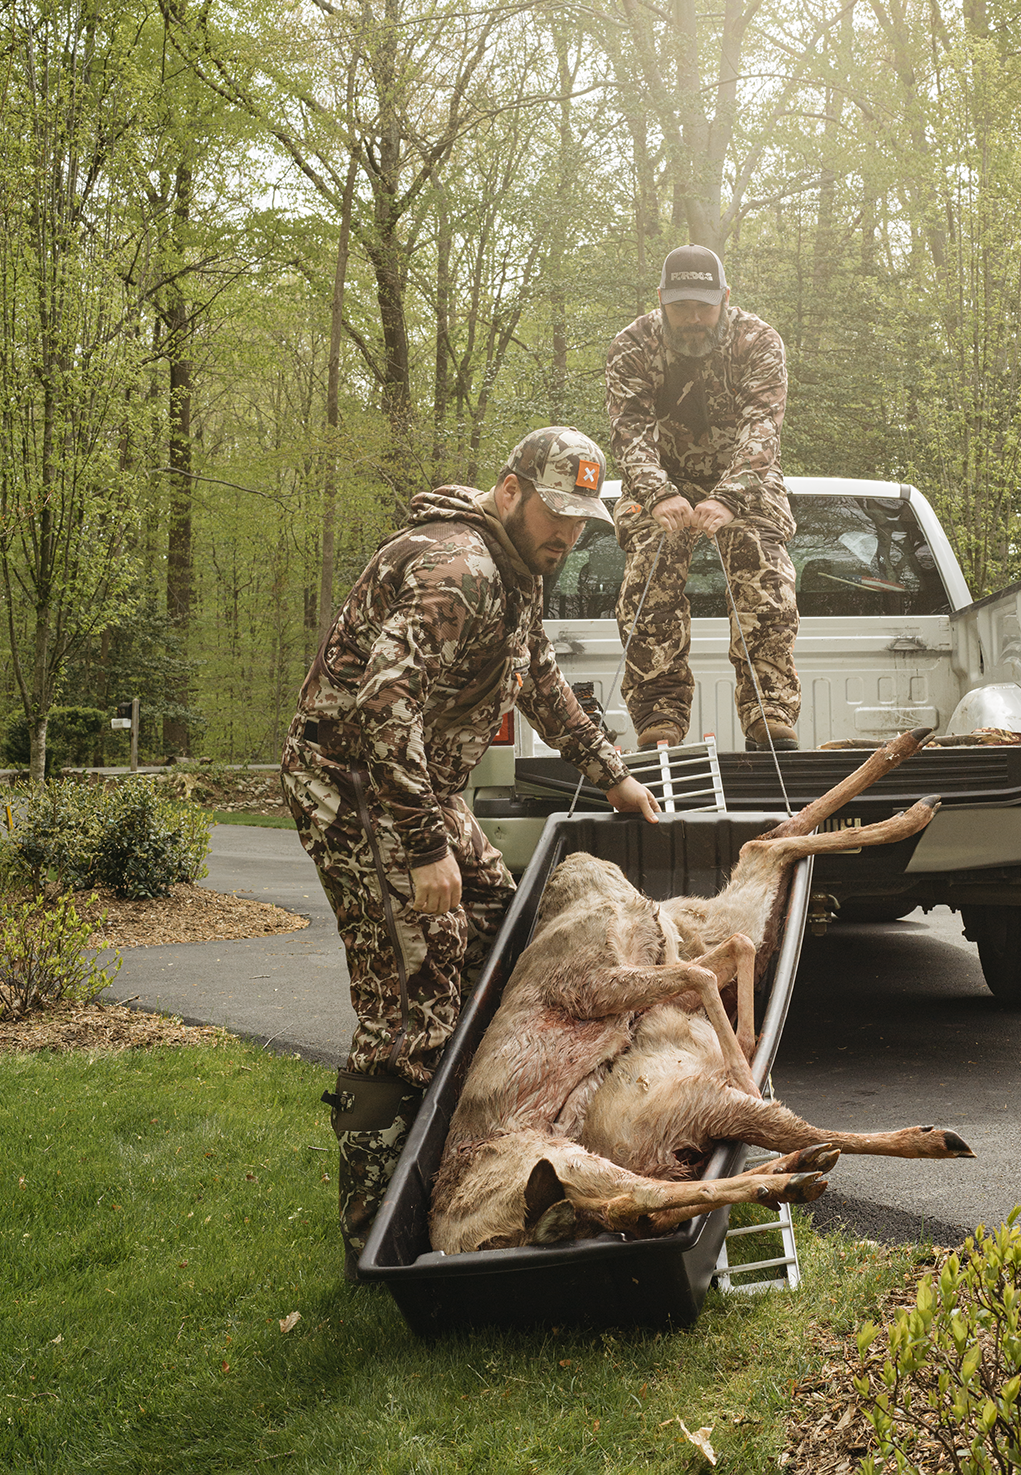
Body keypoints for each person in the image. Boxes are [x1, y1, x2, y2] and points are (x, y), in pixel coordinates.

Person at [280, 427, 659, 1279]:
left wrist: (613, 776)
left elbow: (545, 684)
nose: (567, 536)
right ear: (511, 491)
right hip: (352, 784)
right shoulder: (458, 571)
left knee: (496, 923)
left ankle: (474, 1158)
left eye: (581, 522)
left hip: (418, 786)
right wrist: (422, 848)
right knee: (412, 997)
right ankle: (376, 1240)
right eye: (556, 515)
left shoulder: (517, 578)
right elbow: (381, 707)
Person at [605, 244, 801, 752]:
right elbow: (629, 432)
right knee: (651, 562)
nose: (693, 319)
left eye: (704, 307)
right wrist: (657, 494)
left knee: (763, 566)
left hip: (746, 478)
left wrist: (730, 496)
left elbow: (763, 429)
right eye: (681, 307)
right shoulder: (632, 345)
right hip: (658, 480)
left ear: (725, 298)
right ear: (661, 301)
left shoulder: (758, 340)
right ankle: (659, 713)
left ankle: (768, 709)